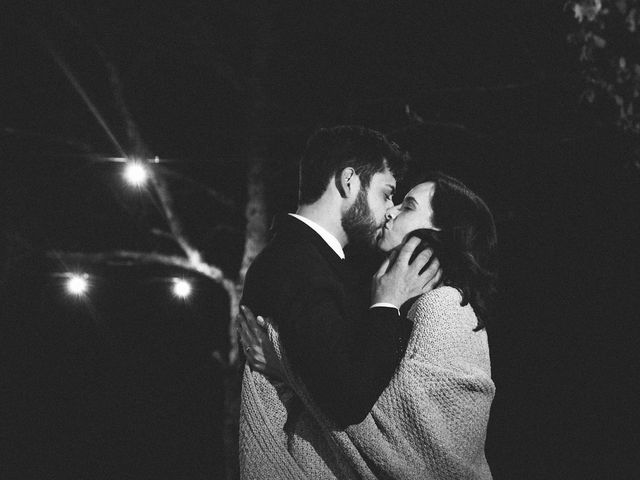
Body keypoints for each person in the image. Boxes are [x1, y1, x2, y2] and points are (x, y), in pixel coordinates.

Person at [241, 171, 498, 479]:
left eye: (408, 206)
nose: (391, 211)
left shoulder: (445, 306)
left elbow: (414, 447)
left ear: (443, 232)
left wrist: (284, 366)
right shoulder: (397, 299)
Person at [238, 126, 442, 478]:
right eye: (386, 194)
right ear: (349, 182)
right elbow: (347, 399)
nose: (390, 210)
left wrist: (281, 363)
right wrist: (387, 303)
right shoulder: (297, 264)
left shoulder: (315, 260)